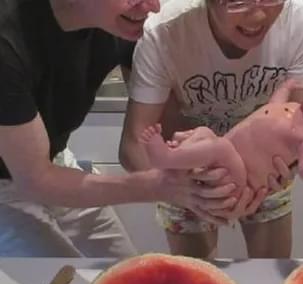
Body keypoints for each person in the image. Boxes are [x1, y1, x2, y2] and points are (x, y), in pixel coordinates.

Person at [120, 0, 303, 259]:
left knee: (270, 272)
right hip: (182, 172)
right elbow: (133, 146)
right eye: (238, 1)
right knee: (195, 275)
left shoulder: (301, 24)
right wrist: (182, 187)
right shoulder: (164, 32)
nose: (258, 16)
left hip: (264, 178)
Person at [0, 0, 249, 257]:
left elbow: (154, 129)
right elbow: (36, 180)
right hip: (10, 183)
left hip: (54, 160)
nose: (154, 7)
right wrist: (156, 186)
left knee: (122, 266)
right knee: (58, 279)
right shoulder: (7, 42)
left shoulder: (116, 25)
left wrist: (211, 162)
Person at [137, 71, 303, 217]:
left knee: (219, 146)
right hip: (220, 169)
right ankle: (178, 160)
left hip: (236, 185)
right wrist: (284, 89)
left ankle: (165, 158)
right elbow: (272, 106)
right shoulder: (292, 108)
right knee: (204, 133)